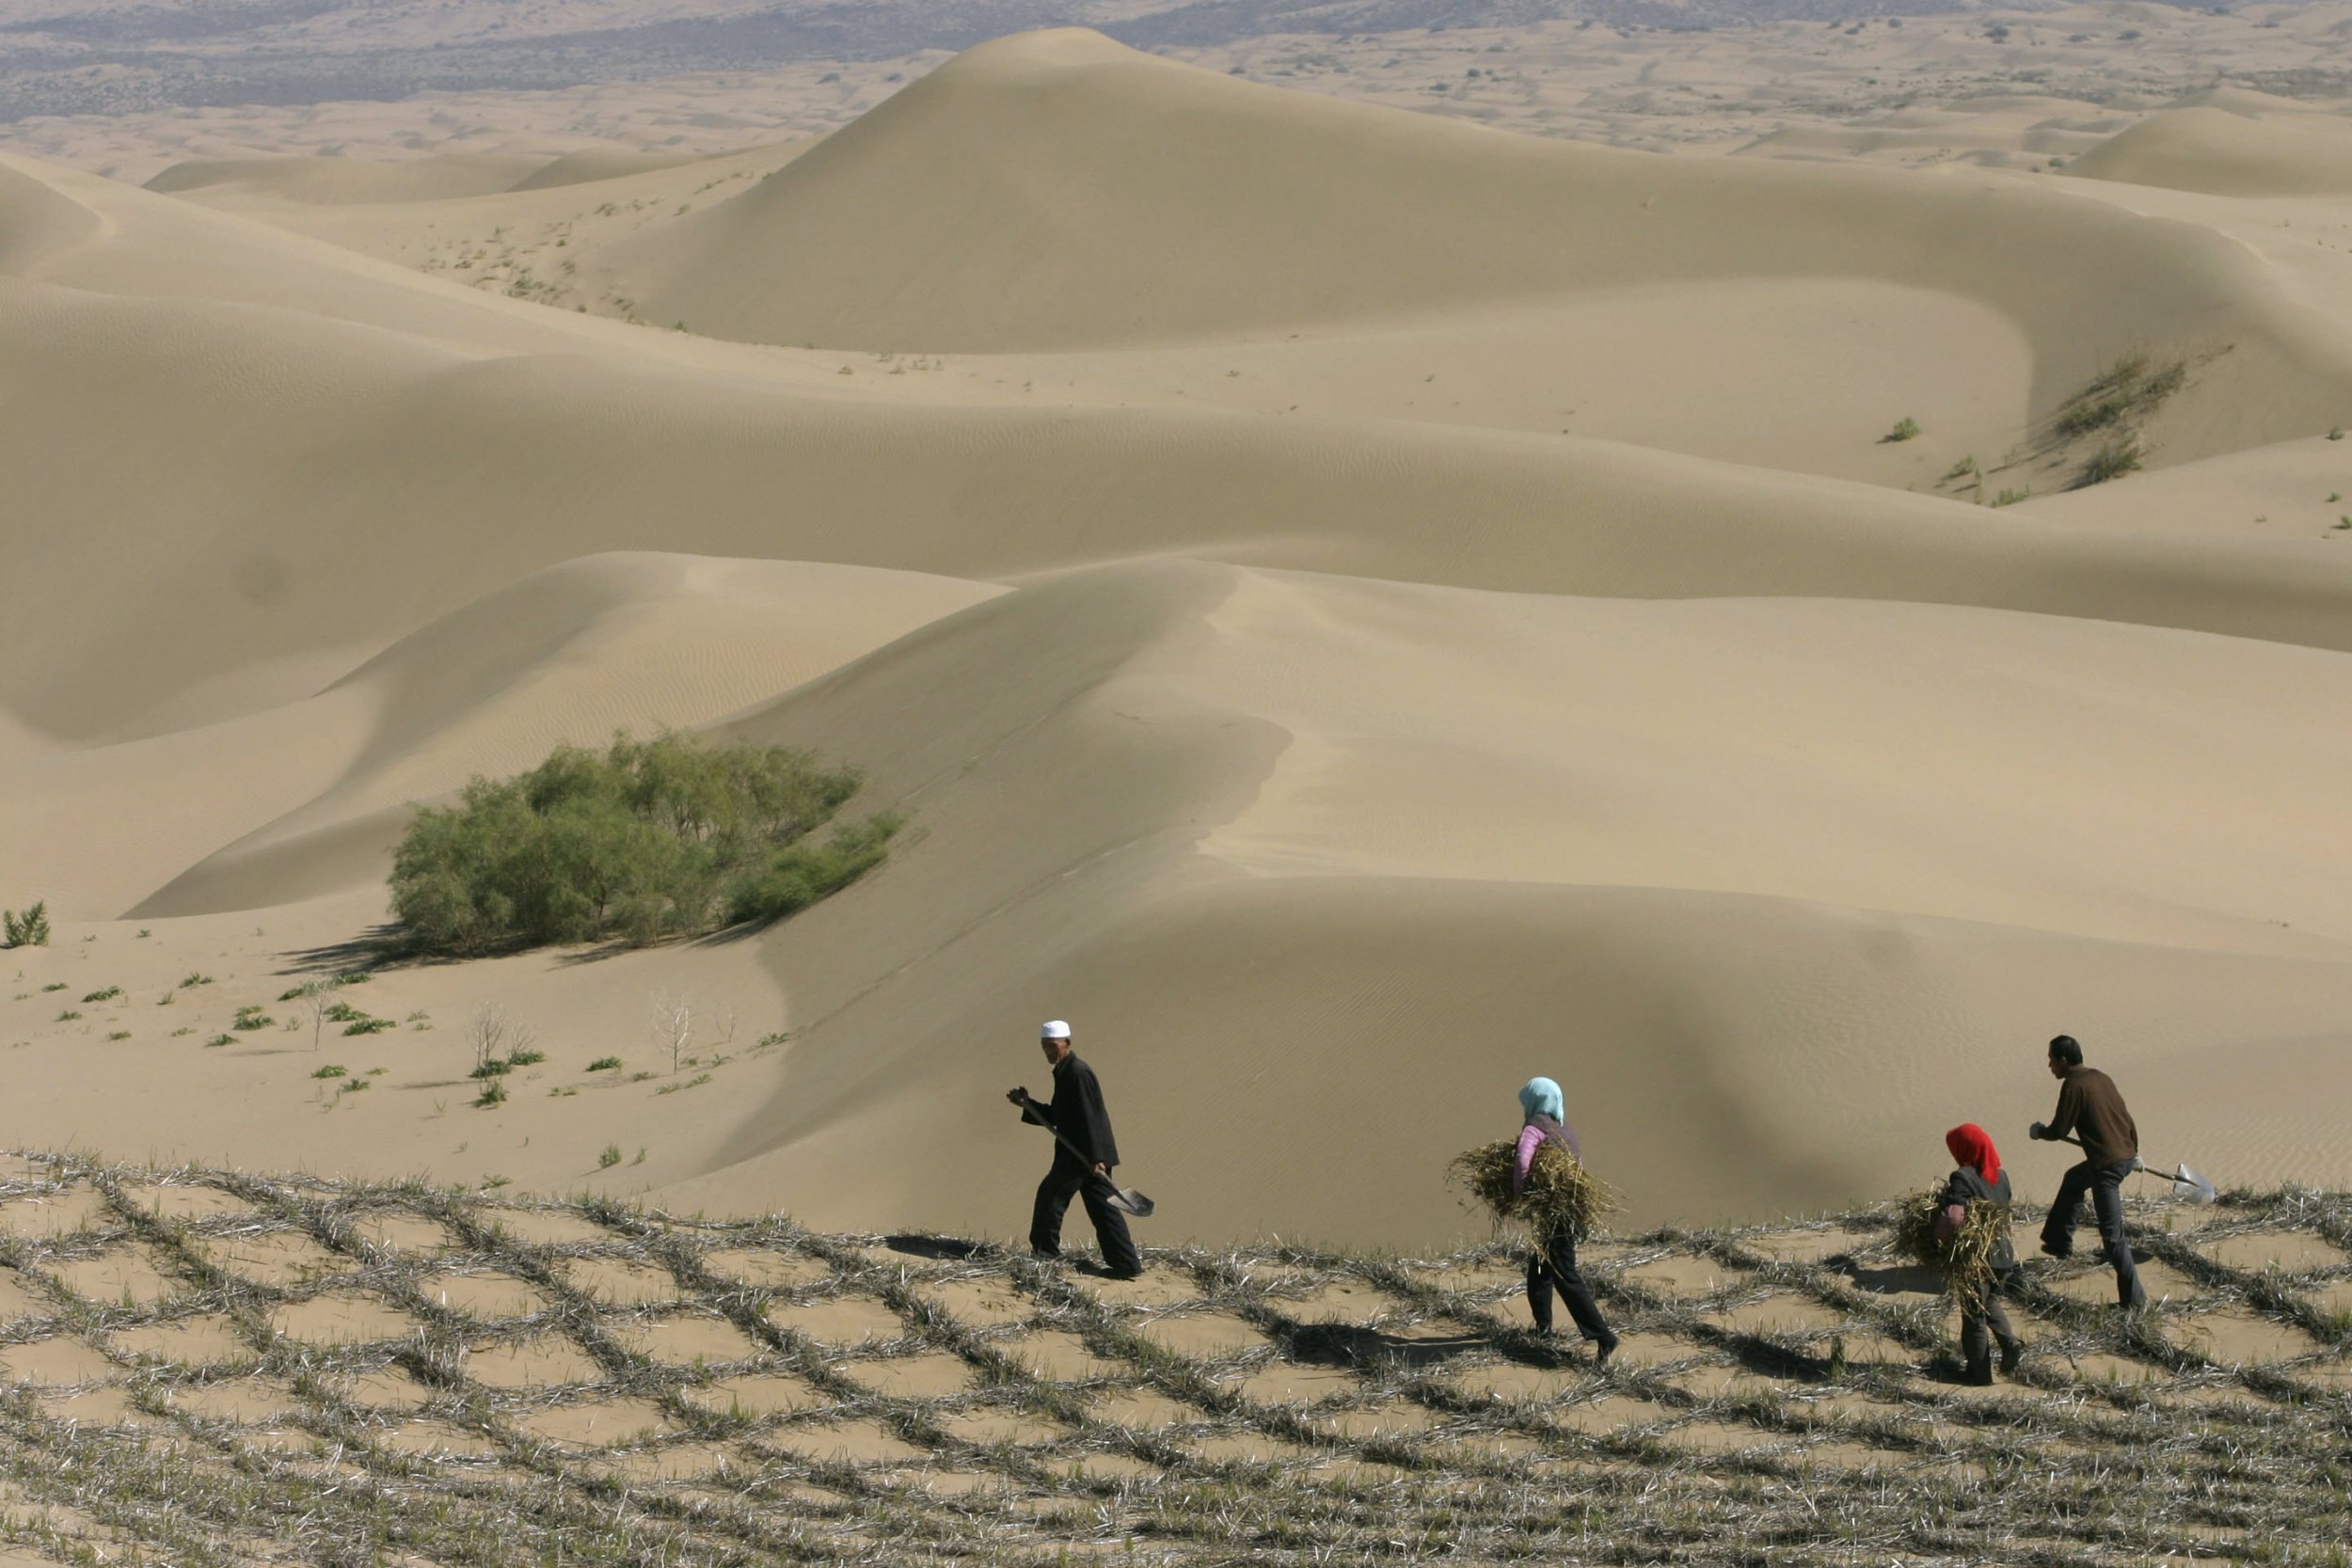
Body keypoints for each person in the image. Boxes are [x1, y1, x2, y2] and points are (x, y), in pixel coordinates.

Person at [1007, 1020, 1141, 1279]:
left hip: (1083, 1154)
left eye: (1053, 1046)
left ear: (1067, 1043)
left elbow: (1091, 1116)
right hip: (1085, 1152)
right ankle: (1126, 1264)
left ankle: (1045, 1256)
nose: (1048, 1051)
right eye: (1044, 1046)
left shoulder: (1077, 1072)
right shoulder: (1065, 1071)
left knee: (1050, 1197)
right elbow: (1058, 1115)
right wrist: (1027, 1104)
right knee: (1104, 1209)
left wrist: (1096, 1157)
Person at [2027, 1034, 2147, 1309]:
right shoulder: (2101, 1078)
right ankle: (2059, 1242)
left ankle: (2135, 1301)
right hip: (2122, 1156)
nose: (2050, 1066)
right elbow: (2126, 1117)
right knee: (2074, 1180)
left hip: (2107, 1167)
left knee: (2113, 1236)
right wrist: (2133, 1152)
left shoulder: (2073, 1085)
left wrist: (2039, 1132)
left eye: (2051, 1060)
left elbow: (2059, 1130)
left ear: (2064, 1060)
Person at [1513, 1076, 1617, 1366]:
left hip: (1553, 1213)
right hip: (1567, 1210)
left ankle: (1602, 1335)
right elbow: (1578, 1169)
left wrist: (1520, 1194)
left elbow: (1523, 1161)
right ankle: (1543, 1329)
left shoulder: (1535, 1128)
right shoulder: (1564, 1130)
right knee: (1539, 1269)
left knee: (1566, 1275)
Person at [1937, 1123, 2024, 1386]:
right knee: (1990, 1303)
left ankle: (1979, 1375)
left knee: (1973, 1315)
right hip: (2004, 1254)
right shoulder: (2002, 1176)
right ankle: (2010, 1343)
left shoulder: (1962, 1177)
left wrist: (1939, 1239)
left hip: (1978, 1257)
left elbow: (1955, 1216)